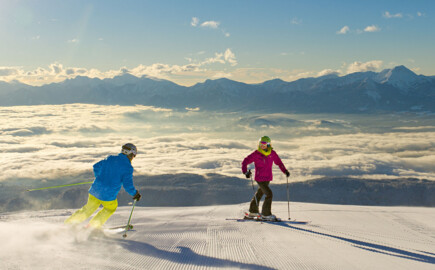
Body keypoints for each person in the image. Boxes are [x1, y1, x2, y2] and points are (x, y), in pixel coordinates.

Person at [65, 143, 141, 229]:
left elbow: (96, 166)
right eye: (133, 156)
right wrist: (135, 194)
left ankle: (68, 224)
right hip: (108, 196)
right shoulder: (128, 167)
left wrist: (99, 177)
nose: (132, 158)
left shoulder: (110, 158)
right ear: (130, 154)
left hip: (95, 190)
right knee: (110, 208)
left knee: (88, 209)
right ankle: (93, 226)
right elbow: (127, 185)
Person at [241, 136, 290, 220]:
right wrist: (245, 172)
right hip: (259, 178)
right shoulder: (256, 154)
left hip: (268, 178)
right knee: (269, 194)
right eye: (260, 144)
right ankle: (266, 214)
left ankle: (253, 211)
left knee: (260, 193)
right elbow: (245, 161)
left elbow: (279, 162)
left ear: (268, 144)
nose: (262, 145)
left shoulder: (272, 153)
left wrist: (285, 171)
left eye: (264, 144)